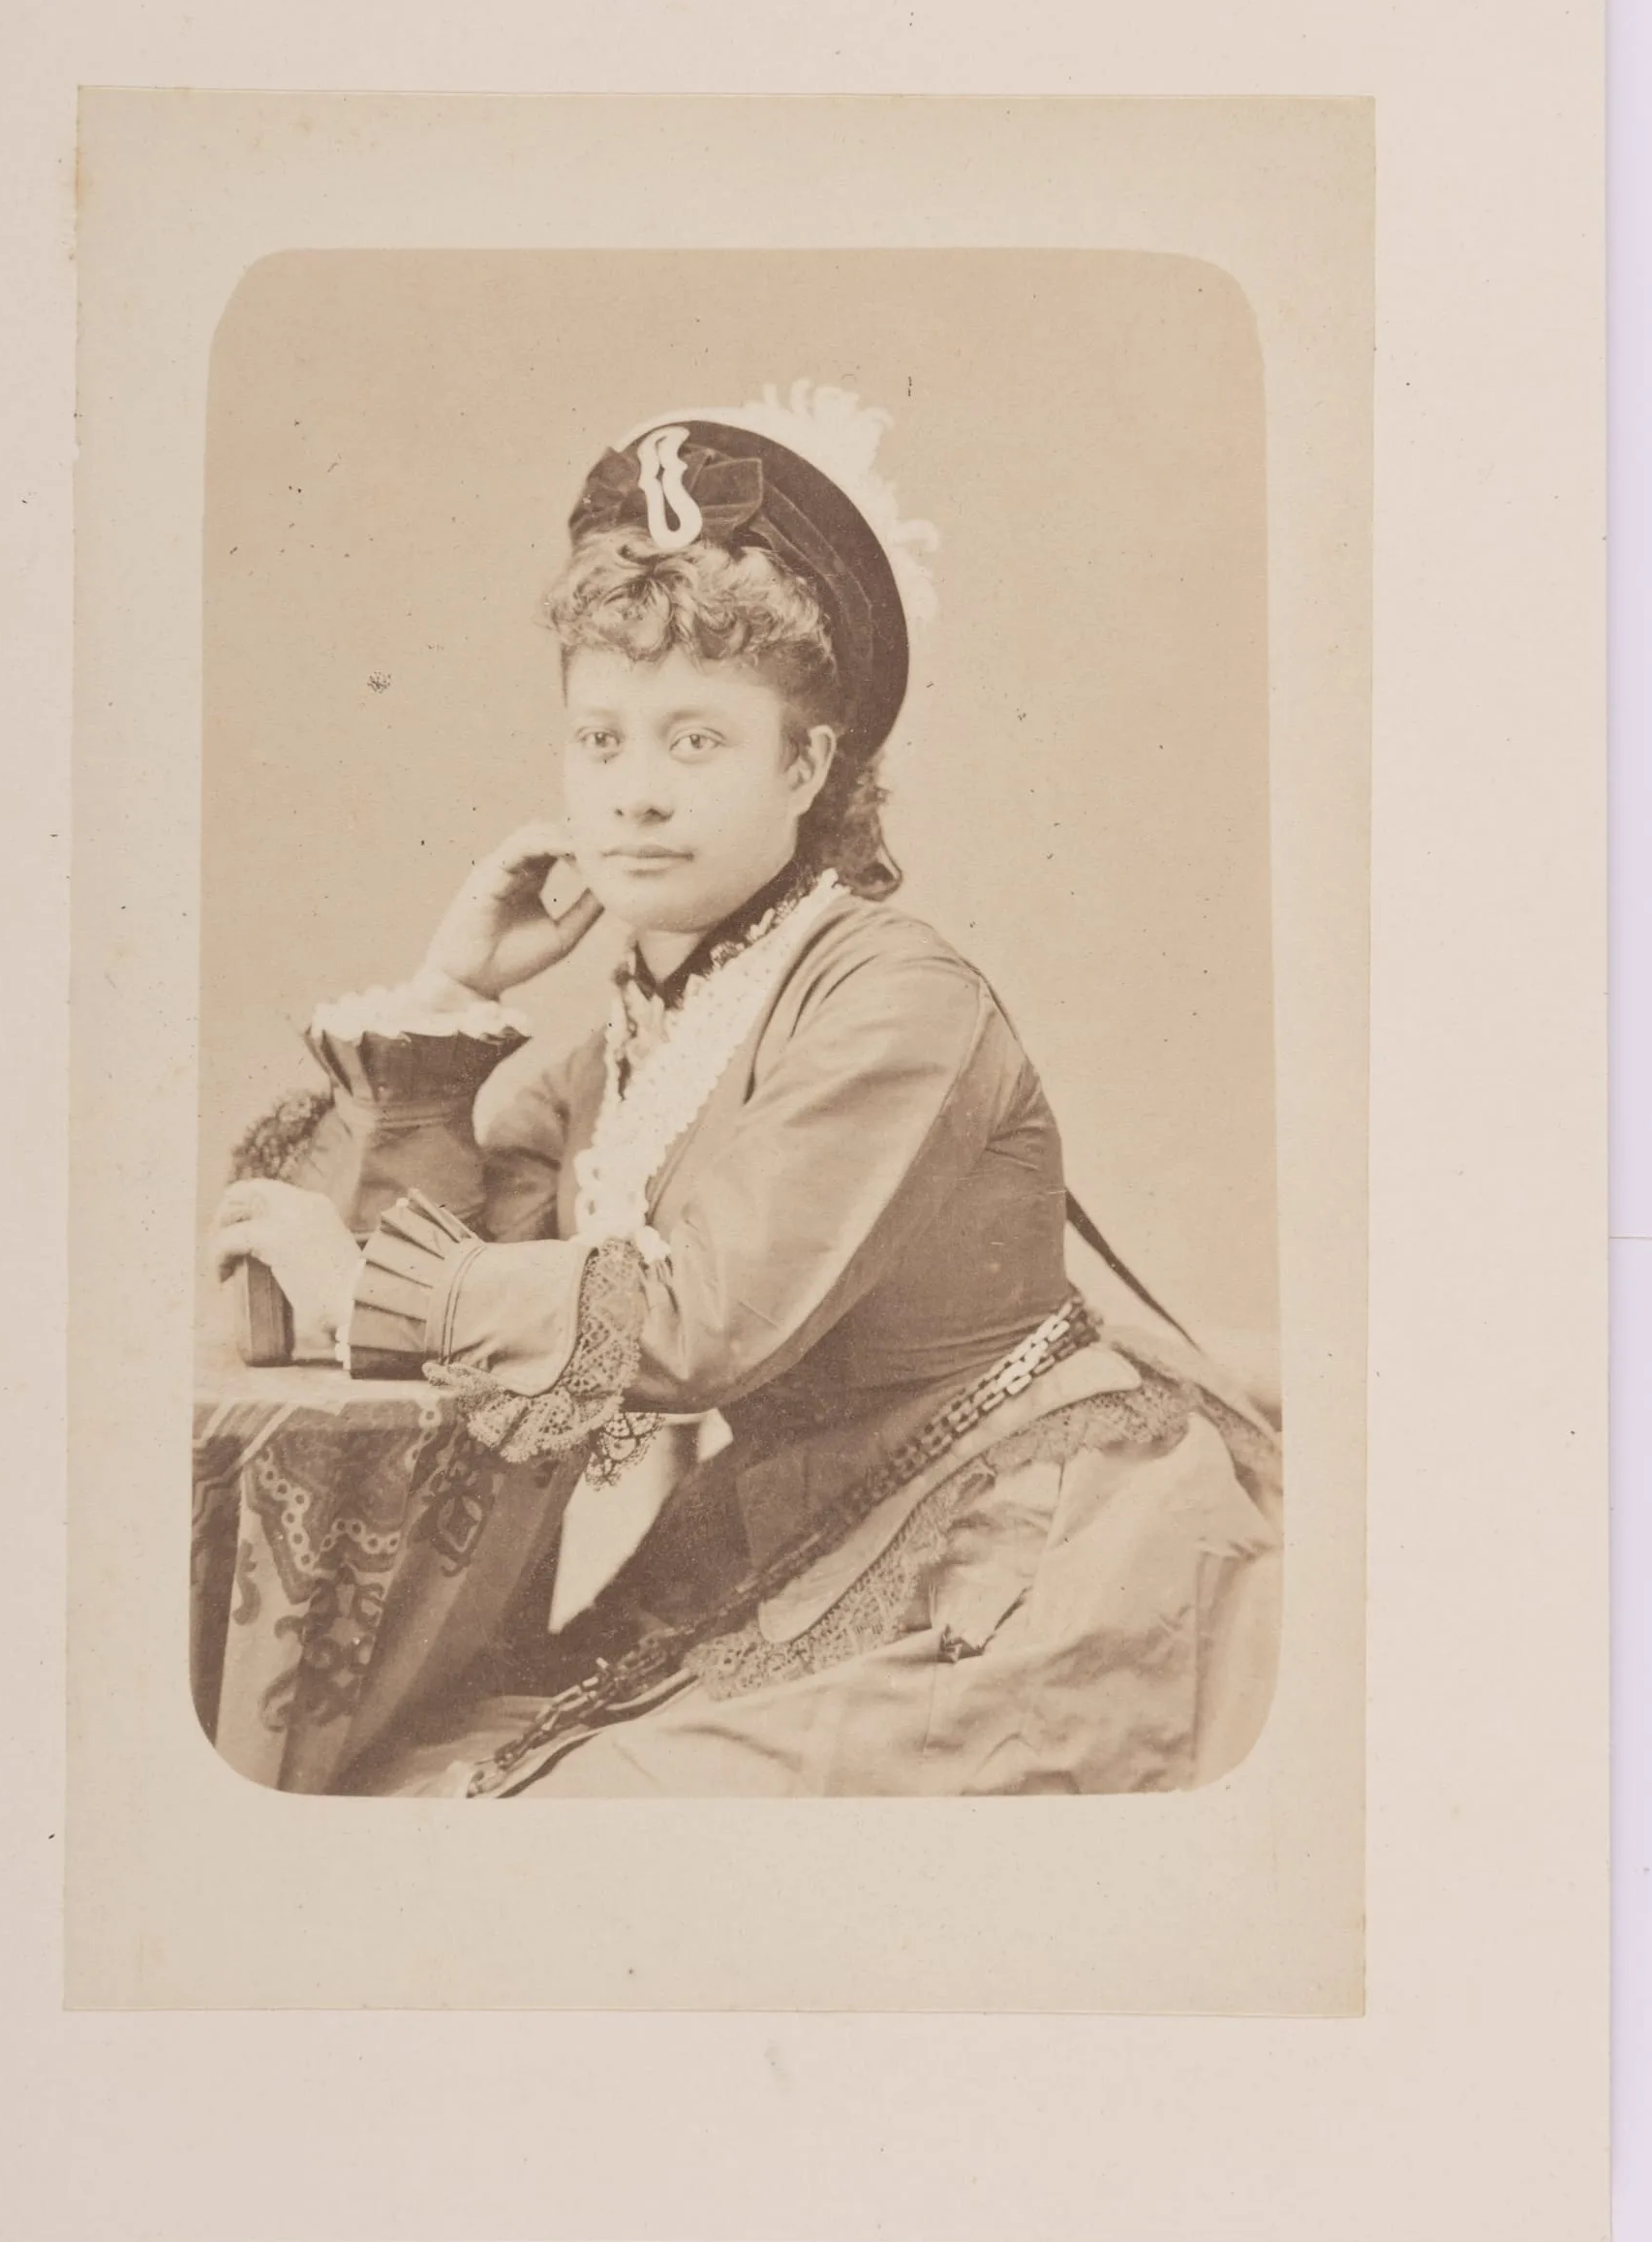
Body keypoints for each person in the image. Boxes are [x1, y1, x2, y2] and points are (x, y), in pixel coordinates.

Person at [210, 387, 1282, 1798]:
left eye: (696, 741)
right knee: (432, 1778)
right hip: (802, 1537)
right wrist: (448, 995)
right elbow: (346, 1303)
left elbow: (699, 1320)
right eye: (602, 740)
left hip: (1031, 1555)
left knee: (561, 1819)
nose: (636, 795)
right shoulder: (636, 1046)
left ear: (808, 765)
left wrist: (363, 1288)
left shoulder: (897, 996)